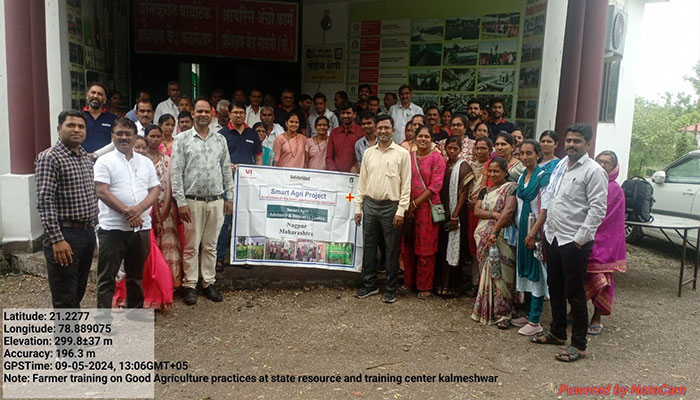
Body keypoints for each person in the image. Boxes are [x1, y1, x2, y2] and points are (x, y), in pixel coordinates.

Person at [531, 123, 608, 363]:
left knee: (575, 293)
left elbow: (598, 209)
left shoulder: (594, 171)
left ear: (587, 144)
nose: (571, 145)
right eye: (569, 140)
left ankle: (579, 345)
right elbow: (551, 197)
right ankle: (557, 331)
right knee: (554, 286)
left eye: (577, 141)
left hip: (574, 241)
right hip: (553, 235)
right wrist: (544, 229)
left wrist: (580, 239)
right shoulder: (561, 166)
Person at [171, 98, 234, 305]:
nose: (203, 115)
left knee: (211, 245)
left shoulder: (220, 140)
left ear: (212, 113)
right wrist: (180, 201)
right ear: (192, 113)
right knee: (191, 245)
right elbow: (176, 172)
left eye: (207, 111)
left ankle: (208, 282)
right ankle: (190, 285)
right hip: (192, 201)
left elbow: (226, 170)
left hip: (216, 200)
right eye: (199, 111)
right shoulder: (181, 139)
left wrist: (229, 197)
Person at [94, 118, 160, 309]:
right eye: (119, 133)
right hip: (113, 228)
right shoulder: (104, 161)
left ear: (135, 137)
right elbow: (102, 191)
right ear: (112, 136)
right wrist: (128, 214)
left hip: (141, 228)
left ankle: (136, 314)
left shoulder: (145, 162)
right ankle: (103, 320)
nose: (123, 137)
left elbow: (154, 189)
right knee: (107, 277)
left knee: (136, 275)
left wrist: (138, 210)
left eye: (128, 134)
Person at [36, 110, 98, 308]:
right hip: (65, 235)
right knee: (64, 296)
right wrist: (56, 239)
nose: (77, 130)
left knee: (77, 292)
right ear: (59, 128)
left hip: (86, 233)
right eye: (71, 125)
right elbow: (45, 201)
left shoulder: (85, 159)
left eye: (81, 126)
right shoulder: (50, 158)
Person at [112, 125, 175, 309]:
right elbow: (109, 193)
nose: (139, 149)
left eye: (142, 147)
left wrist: (155, 215)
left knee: (148, 263)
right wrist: (130, 213)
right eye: (136, 146)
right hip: (120, 222)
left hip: (145, 222)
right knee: (126, 265)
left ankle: (148, 298)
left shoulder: (146, 165)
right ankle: (124, 298)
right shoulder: (116, 164)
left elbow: (153, 193)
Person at [355, 114, 411, 304]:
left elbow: (406, 186)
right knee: (369, 247)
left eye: (386, 128)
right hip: (370, 205)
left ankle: (390, 287)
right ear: (375, 130)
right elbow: (362, 182)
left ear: (393, 130)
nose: (383, 131)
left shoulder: (402, 154)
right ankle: (369, 285)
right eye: (380, 128)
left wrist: (401, 211)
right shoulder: (369, 153)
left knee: (391, 249)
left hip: (391, 207)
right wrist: (358, 206)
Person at [216, 102, 263, 270]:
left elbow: (258, 158)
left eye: (241, 112)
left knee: (245, 220)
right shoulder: (222, 134)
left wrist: (256, 174)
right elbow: (217, 160)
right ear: (229, 114)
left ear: (245, 114)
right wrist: (228, 166)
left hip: (247, 185)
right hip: (227, 184)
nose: (238, 115)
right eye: (235, 112)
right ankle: (220, 257)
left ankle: (244, 256)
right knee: (224, 221)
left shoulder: (252, 133)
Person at [400, 126, 446, 298]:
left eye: (427, 136)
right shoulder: (407, 157)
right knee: (408, 245)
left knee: (426, 249)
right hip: (408, 208)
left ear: (431, 139)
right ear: (414, 138)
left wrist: (415, 203)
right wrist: (407, 204)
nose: (423, 139)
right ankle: (408, 282)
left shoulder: (437, 158)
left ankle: (424, 286)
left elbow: (435, 186)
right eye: (420, 136)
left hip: (427, 208)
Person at [471, 157, 517, 328]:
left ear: (505, 172)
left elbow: (509, 211)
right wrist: (494, 215)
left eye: (496, 171)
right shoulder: (485, 190)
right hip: (483, 235)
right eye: (490, 171)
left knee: (503, 274)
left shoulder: (511, 188)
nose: (492, 174)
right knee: (487, 272)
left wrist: (495, 229)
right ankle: (486, 308)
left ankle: (503, 313)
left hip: (501, 235)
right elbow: (477, 211)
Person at [586, 150, 626, 336]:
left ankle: (596, 317)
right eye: (599, 161)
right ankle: (574, 312)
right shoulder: (589, 182)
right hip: (584, 238)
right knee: (577, 278)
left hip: (604, 243)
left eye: (607, 163)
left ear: (614, 167)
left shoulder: (615, 189)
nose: (602, 166)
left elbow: (611, 219)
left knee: (602, 282)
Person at [512, 140, 550, 336]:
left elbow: (544, 209)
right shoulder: (521, 178)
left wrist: (532, 233)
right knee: (525, 271)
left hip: (534, 232)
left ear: (538, 155)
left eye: (529, 153)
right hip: (522, 231)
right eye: (522, 153)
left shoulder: (542, 177)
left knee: (537, 274)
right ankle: (528, 314)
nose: (525, 157)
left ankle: (536, 320)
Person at [434, 136, 475, 297]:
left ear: (460, 150)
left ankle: (453, 286)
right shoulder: (443, 164)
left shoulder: (463, 166)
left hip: (456, 213)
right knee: (442, 248)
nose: (451, 151)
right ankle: (440, 285)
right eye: (449, 148)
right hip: (443, 212)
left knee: (455, 248)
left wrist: (455, 215)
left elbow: (464, 194)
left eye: (455, 149)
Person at [326, 101, 363, 172]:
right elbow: (329, 157)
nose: (345, 116)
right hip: (336, 176)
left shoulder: (361, 132)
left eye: (348, 113)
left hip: (355, 175)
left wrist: (356, 167)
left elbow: (364, 156)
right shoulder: (334, 133)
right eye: (343, 113)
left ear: (354, 115)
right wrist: (335, 172)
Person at [82, 82, 117, 154]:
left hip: (105, 160)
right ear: (87, 95)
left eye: (100, 94)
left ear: (105, 99)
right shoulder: (78, 116)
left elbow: (114, 143)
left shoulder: (112, 119)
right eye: (93, 92)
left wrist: (95, 155)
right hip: (81, 159)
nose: (95, 96)